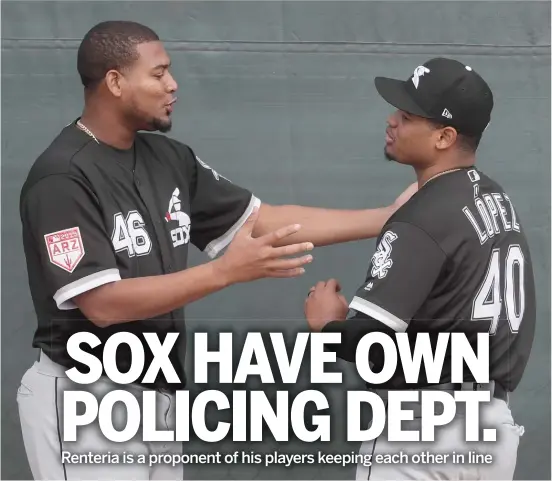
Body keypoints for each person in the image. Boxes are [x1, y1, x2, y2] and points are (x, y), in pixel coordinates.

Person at [16, 20, 416, 481]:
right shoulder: (63, 177)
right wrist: (224, 272)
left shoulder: (167, 159)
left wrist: (387, 218)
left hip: (155, 394)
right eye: (158, 73)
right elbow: (102, 305)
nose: (173, 84)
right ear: (115, 81)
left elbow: (263, 220)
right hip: (86, 394)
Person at [305, 57, 535, 480]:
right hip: (492, 427)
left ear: (444, 136)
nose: (392, 121)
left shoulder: (423, 215)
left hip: (424, 429)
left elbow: (372, 342)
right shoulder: (496, 200)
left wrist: (327, 328)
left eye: (408, 116)